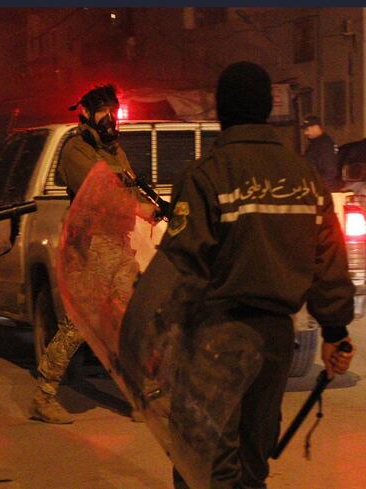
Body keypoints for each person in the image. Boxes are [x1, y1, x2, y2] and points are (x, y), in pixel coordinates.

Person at [160, 62, 355, 489]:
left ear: (222, 111)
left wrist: (158, 333)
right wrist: (336, 331)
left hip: (216, 337)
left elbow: (180, 267)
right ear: (267, 109)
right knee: (252, 463)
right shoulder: (304, 178)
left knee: (208, 462)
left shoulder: (207, 175)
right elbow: (329, 260)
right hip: (274, 341)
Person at [29, 85, 155, 424]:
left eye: (114, 110)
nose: (111, 119)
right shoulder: (76, 150)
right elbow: (99, 195)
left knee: (130, 319)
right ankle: (44, 394)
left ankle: (138, 396)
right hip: (91, 246)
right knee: (78, 325)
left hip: (118, 244)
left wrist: (150, 208)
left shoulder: (114, 151)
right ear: (86, 114)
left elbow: (127, 186)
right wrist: (138, 208)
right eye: (104, 112)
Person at [301, 115, 339, 189]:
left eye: (307, 129)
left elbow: (330, 171)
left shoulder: (325, 145)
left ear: (316, 127)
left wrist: (318, 187)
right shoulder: (316, 143)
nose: (305, 133)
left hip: (324, 188)